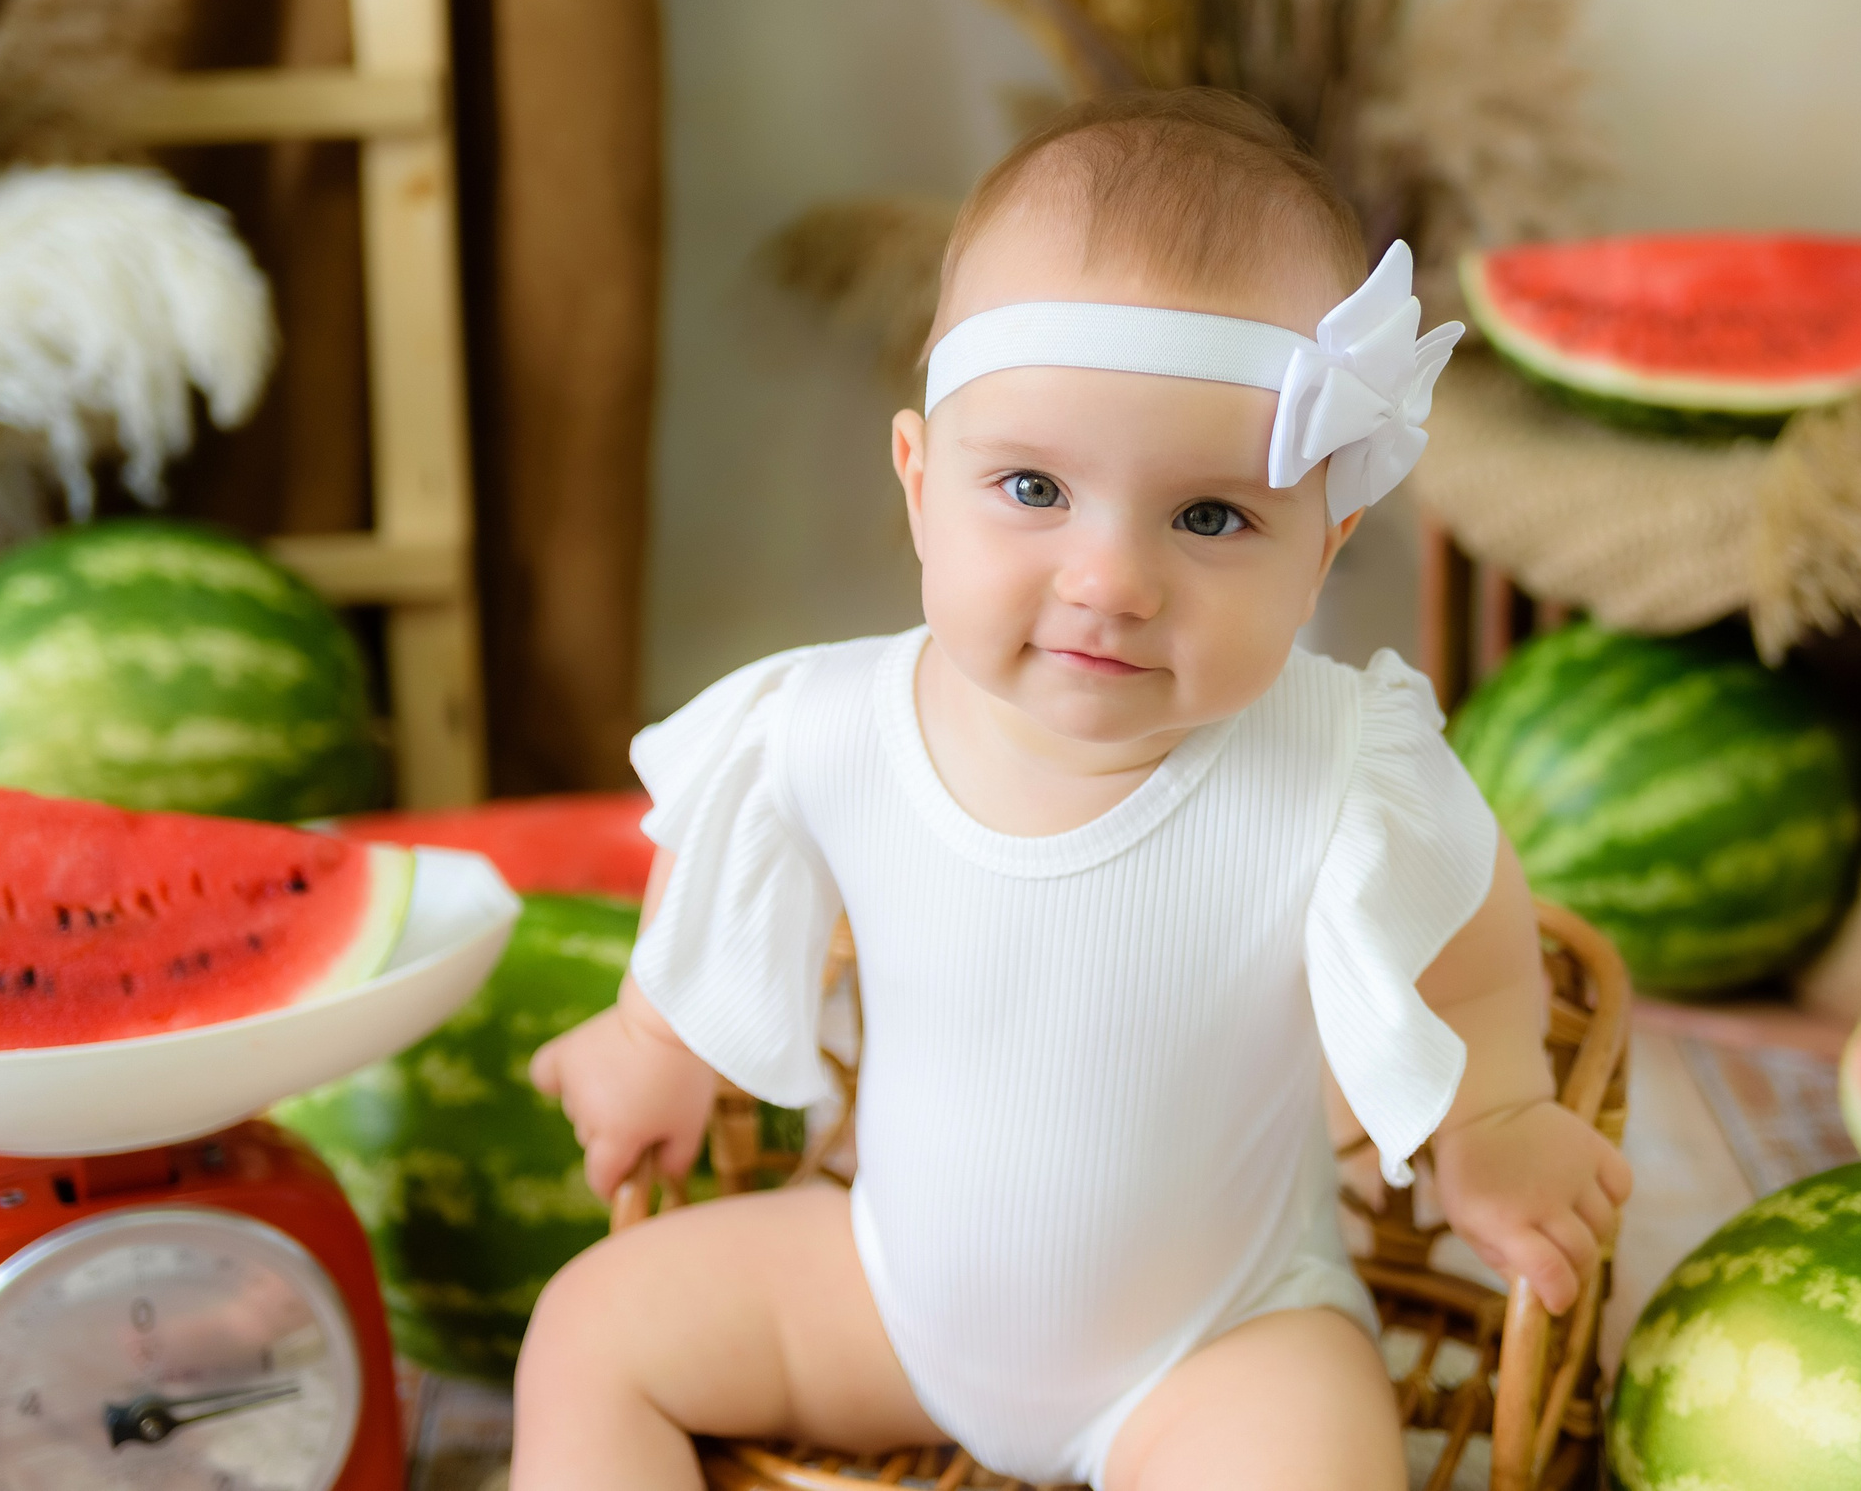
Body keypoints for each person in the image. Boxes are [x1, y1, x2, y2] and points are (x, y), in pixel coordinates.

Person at [516, 87, 1632, 1491]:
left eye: (1212, 515)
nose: (1110, 578)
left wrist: (1498, 1118)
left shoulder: (1337, 758)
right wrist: (655, 1033)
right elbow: (717, 857)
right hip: (885, 1288)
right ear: (922, 484)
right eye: (1034, 488)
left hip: (1219, 1341)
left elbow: (1469, 945)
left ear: (1325, 546)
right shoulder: (827, 722)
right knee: (590, 1329)